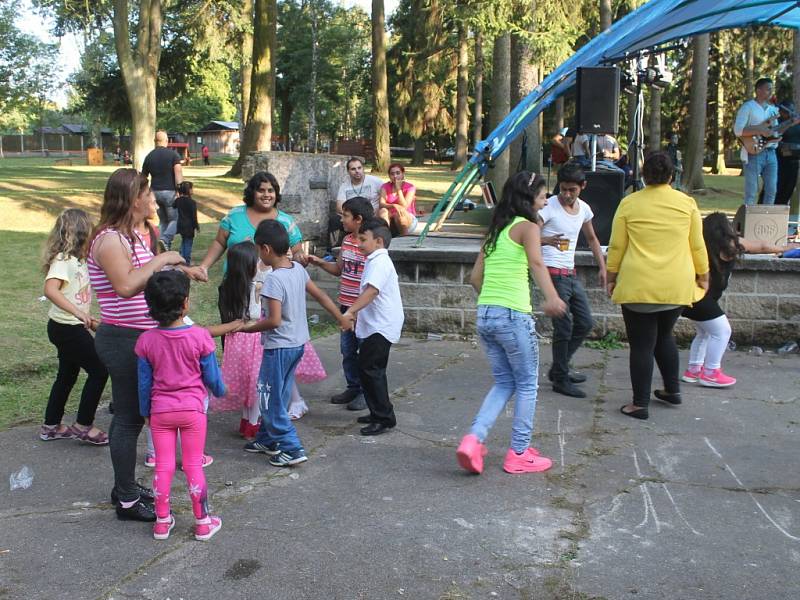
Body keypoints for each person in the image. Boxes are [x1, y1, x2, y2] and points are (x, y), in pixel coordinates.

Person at [88, 169, 188, 521]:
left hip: (139, 337)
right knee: (129, 420)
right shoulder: (110, 240)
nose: (153, 200)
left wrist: (178, 272)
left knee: (135, 417)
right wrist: (164, 258)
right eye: (147, 195)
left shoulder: (132, 237)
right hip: (122, 338)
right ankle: (127, 499)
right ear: (133, 200)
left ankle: (125, 485)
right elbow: (126, 286)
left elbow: (145, 281)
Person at [455, 171, 566, 475]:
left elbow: (475, 278)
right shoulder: (528, 228)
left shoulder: (495, 231)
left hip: (486, 314)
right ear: (529, 198)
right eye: (543, 196)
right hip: (513, 316)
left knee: (505, 382)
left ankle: (473, 439)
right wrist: (553, 298)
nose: (546, 201)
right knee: (528, 383)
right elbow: (537, 263)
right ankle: (518, 452)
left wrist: (493, 302)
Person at [606, 152, 709, 420]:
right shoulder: (687, 203)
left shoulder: (629, 203)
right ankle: (672, 390)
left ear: (643, 175)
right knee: (664, 336)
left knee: (642, 344)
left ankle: (640, 404)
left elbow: (617, 245)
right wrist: (704, 275)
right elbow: (697, 244)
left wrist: (611, 275)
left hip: (638, 284)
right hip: (676, 286)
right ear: (672, 176)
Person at [241, 220, 347, 466]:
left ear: (266, 249)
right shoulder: (297, 270)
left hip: (278, 347)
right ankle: (268, 439)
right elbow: (320, 295)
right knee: (280, 391)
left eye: (258, 249)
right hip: (297, 345)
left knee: (269, 397)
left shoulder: (273, 281)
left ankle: (291, 447)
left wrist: (249, 328)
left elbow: (274, 320)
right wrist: (340, 317)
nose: (258, 254)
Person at [135, 270, 225, 541]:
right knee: (193, 465)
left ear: (150, 306)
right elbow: (211, 376)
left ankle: (162, 522)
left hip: (160, 412)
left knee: (163, 466)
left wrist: (145, 413)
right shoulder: (200, 337)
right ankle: (203, 523)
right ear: (185, 302)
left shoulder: (146, 341)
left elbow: (143, 384)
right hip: (193, 410)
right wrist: (221, 391)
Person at [682, 213, 800, 388]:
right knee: (722, 331)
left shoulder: (699, 243)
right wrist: (785, 247)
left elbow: (760, 246)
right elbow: (761, 246)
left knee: (705, 333)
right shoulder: (732, 243)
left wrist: (786, 247)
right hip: (699, 298)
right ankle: (710, 373)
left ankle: (693, 370)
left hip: (689, 297)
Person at [40, 208, 109, 445]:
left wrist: (88, 317)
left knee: (67, 375)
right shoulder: (63, 260)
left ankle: (51, 426)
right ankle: (83, 425)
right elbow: (50, 290)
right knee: (100, 369)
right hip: (65, 328)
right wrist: (79, 313)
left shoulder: (79, 261)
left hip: (69, 327)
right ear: (80, 232)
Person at [539, 164, 607, 398]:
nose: (567, 194)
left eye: (572, 190)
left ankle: (561, 367)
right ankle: (559, 377)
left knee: (585, 322)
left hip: (570, 273)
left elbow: (592, 238)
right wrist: (545, 240)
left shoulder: (584, 209)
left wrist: (602, 267)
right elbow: (528, 235)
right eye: (563, 189)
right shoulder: (548, 206)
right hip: (552, 273)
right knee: (564, 326)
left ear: (582, 187)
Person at [307, 197, 374, 411]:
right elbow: (339, 270)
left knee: (365, 353)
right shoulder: (346, 241)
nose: (341, 219)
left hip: (364, 309)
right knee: (347, 350)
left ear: (358, 219)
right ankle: (353, 387)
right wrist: (319, 262)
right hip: (346, 307)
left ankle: (366, 393)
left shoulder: (371, 244)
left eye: (345, 215)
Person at [341, 219, 405, 436]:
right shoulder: (374, 258)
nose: (358, 243)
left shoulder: (379, 262)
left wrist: (351, 311)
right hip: (375, 324)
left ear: (378, 241)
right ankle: (377, 411)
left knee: (371, 370)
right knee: (368, 369)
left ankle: (384, 418)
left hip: (381, 326)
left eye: (362, 239)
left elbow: (371, 291)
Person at [196, 171, 306, 281]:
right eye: (261, 190)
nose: (266, 195)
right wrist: (204, 267)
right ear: (252, 192)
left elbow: (297, 251)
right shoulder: (234, 216)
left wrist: (300, 257)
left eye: (270, 191)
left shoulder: (286, 221)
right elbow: (220, 243)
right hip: (234, 287)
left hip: (272, 290)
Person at [210, 241, 268, 440]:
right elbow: (253, 313)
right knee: (256, 383)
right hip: (252, 337)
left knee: (245, 382)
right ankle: (254, 424)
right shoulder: (254, 286)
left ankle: (245, 422)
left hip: (235, 340)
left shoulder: (227, 286)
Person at [734, 78, 781, 206]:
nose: (771, 92)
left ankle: (765, 221)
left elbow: (773, 130)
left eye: (772, 89)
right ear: (758, 90)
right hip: (753, 152)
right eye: (768, 89)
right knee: (752, 192)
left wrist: (776, 136)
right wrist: (759, 130)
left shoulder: (773, 110)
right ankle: (748, 222)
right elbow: (738, 130)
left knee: (772, 190)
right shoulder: (748, 107)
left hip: (771, 153)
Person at [142, 131, 183, 249]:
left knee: (163, 221)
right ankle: (165, 239)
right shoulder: (173, 155)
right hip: (170, 192)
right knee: (175, 219)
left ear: (155, 142)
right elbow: (178, 173)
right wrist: (180, 191)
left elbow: (143, 177)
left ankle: (161, 246)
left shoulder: (149, 156)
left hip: (154, 193)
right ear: (166, 141)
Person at [378, 163, 418, 236]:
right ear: (389, 176)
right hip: (391, 219)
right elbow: (381, 204)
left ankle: (404, 237)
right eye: (392, 174)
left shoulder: (410, 187)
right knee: (383, 211)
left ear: (403, 174)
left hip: (407, 219)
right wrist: (394, 205)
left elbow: (405, 206)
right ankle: (385, 235)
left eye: (398, 173)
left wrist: (398, 189)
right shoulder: (385, 186)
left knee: (399, 213)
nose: (395, 176)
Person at [775, 101, 800, 205]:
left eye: (792, 110)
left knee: (789, 188)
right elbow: (775, 136)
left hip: (794, 161)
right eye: (787, 111)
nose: (790, 113)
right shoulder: (778, 123)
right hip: (780, 160)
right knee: (777, 187)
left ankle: (781, 212)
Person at [174, 181, 199, 264]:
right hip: (189, 226)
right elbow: (194, 217)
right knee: (188, 243)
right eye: (192, 188)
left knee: (184, 241)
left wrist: (178, 196)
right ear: (188, 190)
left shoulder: (178, 200)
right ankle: (186, 261)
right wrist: (196, 227)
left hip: (180, 225)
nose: (193, 190)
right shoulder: (192, 202)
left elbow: (173, 205)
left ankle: (181, 257)